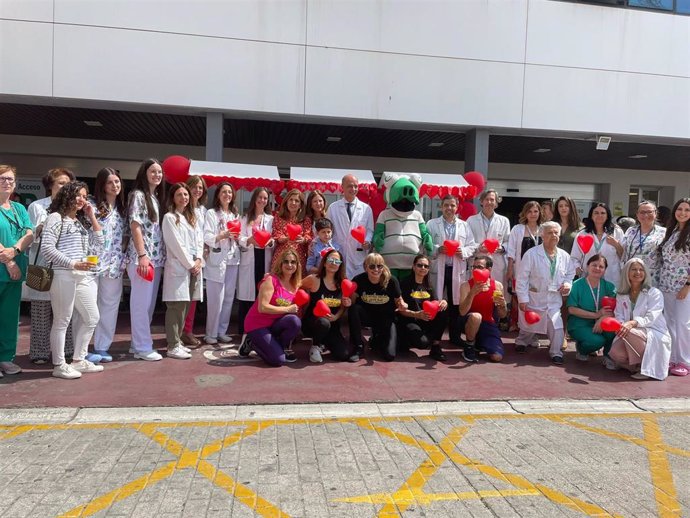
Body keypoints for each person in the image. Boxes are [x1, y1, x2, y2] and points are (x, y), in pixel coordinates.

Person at [42, 181, 104, 379]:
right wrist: (73, 263)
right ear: (67, 194)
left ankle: (79, 359)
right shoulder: (55, 218)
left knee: (92, 317)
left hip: (81, 275)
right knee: (62, 320)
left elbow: (99, 243)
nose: (82, 199)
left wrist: (91, 216)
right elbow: (47, 249)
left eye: (85, 196)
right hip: (63, 274)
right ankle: (59, 365)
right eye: (78, 195)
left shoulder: (79, 221)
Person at [24, 168, 76, 364]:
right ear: (50, 186)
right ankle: (39, 353)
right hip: (43, 265)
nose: (65, 187)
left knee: (65, 311)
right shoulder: (37, 207)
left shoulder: (73, 207)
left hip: (66, 266)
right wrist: (41, 228)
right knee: (40, 310)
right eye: (61, 183)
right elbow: (29, 235)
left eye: (68, 183)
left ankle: (67, 351)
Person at [515, 222, 574, 364]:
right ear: (542, 235)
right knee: (528, 327)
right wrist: (522, 299)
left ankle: (556, 352)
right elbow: (522, 278)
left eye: (556, 233)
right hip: (534, 299)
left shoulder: (564, 256)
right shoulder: (531, 254)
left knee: (557, 328)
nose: (553, 235)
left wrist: (567, 285)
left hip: (553, 301)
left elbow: (570, 274)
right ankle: (522, 341)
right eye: (549, 233)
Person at [126, 158, 166, 361]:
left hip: (156, 259)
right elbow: (135, 226)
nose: (157, 175)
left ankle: (137, 343)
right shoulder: (138, 196)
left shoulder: (155, 197)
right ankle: (143, 347)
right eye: (153, 171)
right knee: (141, 304)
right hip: (142, 259)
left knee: (148, 305)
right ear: (144, 173)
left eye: (159, 172)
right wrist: (142, 255)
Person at [426, 195, 477, 347]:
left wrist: (463, 251)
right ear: (441, 207)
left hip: (457, 270)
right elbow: (426, 245)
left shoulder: (464, 225)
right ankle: (434, 336)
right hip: (439, 269)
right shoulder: (432, 224)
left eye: (452, 205)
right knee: (437, 302)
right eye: (446, 205)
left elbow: (472, 245)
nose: (449, 208)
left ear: (457, 207)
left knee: (456, 304)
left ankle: (455, 336)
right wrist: (437, 249)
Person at [609, 259, 671, 380]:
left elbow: (652, 316)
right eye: (634, 269)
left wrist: (632, 323)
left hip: (652, 331)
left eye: (641, 269)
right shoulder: (621, 294)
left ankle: (646, 369)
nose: (638, 272)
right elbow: (619, 315)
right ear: (627, 273)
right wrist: (622, 324)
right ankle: (637, 367)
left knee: (630, 331)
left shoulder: (654, 293)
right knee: (615, 353)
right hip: (630, 333)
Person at [238, 248, 302, 366]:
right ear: (280, 263)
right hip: (257, 324)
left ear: (297, 265)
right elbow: (262, 307)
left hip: (274, 324)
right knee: (278, 361)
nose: (289, 265)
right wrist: (288, 309)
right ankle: (251, 342)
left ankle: (277, 347)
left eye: (293, 262)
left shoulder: (296, 285)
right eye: (286, 261)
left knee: (295, 321)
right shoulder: (271, 280)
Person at [90, 167, 127, 362]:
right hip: (92, 263)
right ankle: (81, 348)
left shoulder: (122, 209)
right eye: (111, 182)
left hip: (114, 265)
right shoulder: (92, 205)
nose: (115, 185)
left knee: (110, 306)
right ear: (102, 185)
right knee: (88, 306)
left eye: (117, 182)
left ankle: (102, 346)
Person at [162, 183, 203, 360]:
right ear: (173, 197)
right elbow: (176, 245)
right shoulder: (169, 218)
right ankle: (172, 345)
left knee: (185, 305)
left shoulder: (190, 217)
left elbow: (199, 240)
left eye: (186, 194)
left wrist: (199, 259)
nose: (184, 198)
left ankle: (178, 342)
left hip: (193, 266)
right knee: (175, 307)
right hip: (181, 266)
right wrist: (190, 264)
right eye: (179, 194)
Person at [0, 165, 33, 377]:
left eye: (10, 179)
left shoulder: (19, 208)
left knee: (9, 317)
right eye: (2, 178)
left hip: (14, 274)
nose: (7, 182)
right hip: (6, 268)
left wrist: (16, 250)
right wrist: (8, 260)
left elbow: (29, 233)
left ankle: (6, 358)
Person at [349, 253, 407, 362]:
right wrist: (347, 300)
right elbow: (352, 302)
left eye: (379, 266)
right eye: (372, 266)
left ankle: (376, 339)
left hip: (386, 319)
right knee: (354, 309)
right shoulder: (358, 280)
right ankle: (358, 346)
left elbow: (399, 300)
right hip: (367, 317)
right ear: (366, 267)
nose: (376, 269)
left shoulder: (391, 281)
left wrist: (403, 305)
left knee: (389, 356)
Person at [203, 181, 240, 346]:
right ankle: (210, 333)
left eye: (230, 192)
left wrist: (236, 236)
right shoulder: (211, 213)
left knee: (228, 297)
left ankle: (222, 331)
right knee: (215, 298)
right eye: (224, 192)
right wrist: (222, 235)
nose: (227, 195)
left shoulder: (234, 214)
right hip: (217, 260)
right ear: (218, 195)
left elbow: (238, 236)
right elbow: (207, 237)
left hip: (232, 259)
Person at [657, 197, 690, 376]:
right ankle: (672, 358)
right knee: (669, 323)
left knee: (683, 324)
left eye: (687, 210)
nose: (682, 213)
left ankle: (685, 361)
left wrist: (687, 285)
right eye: (680, 209)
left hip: (684, 286)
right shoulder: (672, 231)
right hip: (666, 284)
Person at [300, 248, 351, 363]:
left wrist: (337, 316)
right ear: (324, 262)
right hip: (313, 323)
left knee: (343, 355)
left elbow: (343, 304)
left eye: (337, 262)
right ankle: (315, 346)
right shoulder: (314, 279)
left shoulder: (343, 283)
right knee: (324, 322)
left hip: (332, 324)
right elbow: (296, 286)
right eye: (331, 260)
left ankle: (324, 342)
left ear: (340, 265)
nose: (334, 263)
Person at [237, 187, 274, 340]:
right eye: (260, 197)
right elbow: (239, 237)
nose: (262, 200)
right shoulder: (245, 218)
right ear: (254, 199)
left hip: (264, 256)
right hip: (250, 256)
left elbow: (274, 239)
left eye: (265, 198)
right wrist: (248, 240)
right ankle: (244, 328)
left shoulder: (271, 219)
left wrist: (270, 243)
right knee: (247, 294)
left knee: (262, 292)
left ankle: (260, 327)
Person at [566, 254, 617, 366]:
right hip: (579, 324)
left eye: (601, 266)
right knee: (597, 341)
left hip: (602, 322)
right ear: (587, 266)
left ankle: (608, 356)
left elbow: (616, 310)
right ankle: (582, 349)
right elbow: (572, 310)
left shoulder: (609, 287)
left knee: (613, 329)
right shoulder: (577, 285)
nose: (597, 268)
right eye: (594, 265)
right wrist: (596, 315)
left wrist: (602, 318)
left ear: (605, 270)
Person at [396, 254, 448, 361]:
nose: (423, 268)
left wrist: (442, 302)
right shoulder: (404, 284)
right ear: (414, 267)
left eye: (426, 266)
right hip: (410, 319)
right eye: (420, 265)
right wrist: (416, 314)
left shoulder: (428, 285)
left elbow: (434, 303)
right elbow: (399, 310)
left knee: (443, 312)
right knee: (422, 344)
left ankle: (435, 346)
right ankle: (409, 339)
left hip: (425, 320)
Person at [458, 256, 508, 363]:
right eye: (474, 267)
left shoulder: (497, 286)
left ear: (489, 270)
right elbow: (462, 311)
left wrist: (502, 305)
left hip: (488, 324)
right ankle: (469, 345)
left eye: (480, 267)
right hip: (469, 322)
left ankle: (479, 343)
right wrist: (472, 294)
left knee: (497, 357)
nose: (475, 270)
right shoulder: (466, 286)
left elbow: (503, 315)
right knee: (476, 316)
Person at [329, 174, 374, 279]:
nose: (353, 189)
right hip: (339, 253)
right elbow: (328, 230)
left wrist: (367, 241)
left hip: (358, 254)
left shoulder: (366, 208)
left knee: (357, 286)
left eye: (356, 186)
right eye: (349, 186)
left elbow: (370, 230)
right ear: (342, 187)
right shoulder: (333, 208)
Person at [507, 200, 543, 331]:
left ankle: (532, 327)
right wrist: (510, 268)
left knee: (533, 299)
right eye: (530, 211)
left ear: (540, 213)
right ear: (525, 213)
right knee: (518, 297)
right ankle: (515, 324)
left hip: (538, 271)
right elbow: (511, 250)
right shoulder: (518, 229)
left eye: (536, 211)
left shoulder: (543, 229)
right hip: (520, 269)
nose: (533, 214)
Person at [181, 174, 208, 347]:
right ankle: (179, 331)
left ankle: (187, 331)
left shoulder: (203, 210)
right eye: (194, 187)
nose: (197, 190)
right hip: (184, 259)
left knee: (193, 297)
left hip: (198, 259)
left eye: (200, 187)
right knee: (181, 297)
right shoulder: (182, 208)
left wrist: (201, 255)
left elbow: (203, 236)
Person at [570, 203, 624, 288]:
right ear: (591, 216)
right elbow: (574, 257)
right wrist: (576, 267)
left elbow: (624, 256)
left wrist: (616, 245)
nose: (599, 215)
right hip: (588, 277)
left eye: (603, 213)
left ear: (607, 216)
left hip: (611, 278)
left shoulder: (617, 232)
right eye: (596, 213)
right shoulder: (583, 234)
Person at [621, 201, 665, 284]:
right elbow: (623, 253)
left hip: (652, 277)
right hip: (632, 276)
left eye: (649, 212)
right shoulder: (631, 231)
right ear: (637, 215)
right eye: (642, 212)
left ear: (655, 213)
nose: (646, 215)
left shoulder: (664, 233)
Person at [271, 189, 313, 276]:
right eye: (291, 200)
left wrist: (304, 239)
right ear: (286, 201)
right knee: (279, 283)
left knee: (296, 284)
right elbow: (276, 233)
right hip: (281, 256)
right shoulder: (279, 217)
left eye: (296, 201)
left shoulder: (305, 219)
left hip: (298, 257)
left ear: (300, 205)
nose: (293, 203)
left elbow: (309, 235)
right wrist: (285, 238)